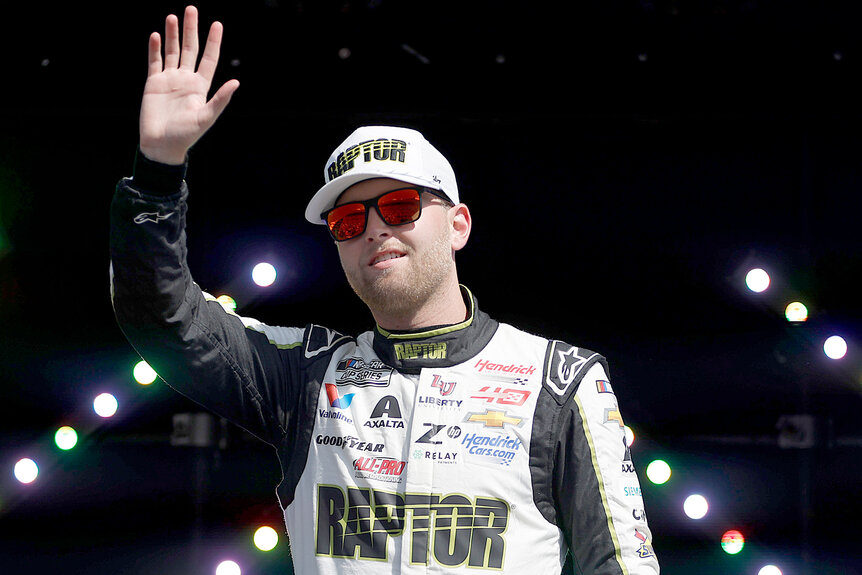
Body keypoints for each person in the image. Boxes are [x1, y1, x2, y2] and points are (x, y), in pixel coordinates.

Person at [110, 6, 660, 574]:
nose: (374, 227)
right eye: (347, 221)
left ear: (459, 225)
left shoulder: (561, 381)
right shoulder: (305, 376)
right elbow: (162, 318)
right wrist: (158, 169)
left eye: (400, 205)